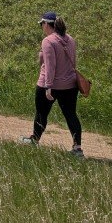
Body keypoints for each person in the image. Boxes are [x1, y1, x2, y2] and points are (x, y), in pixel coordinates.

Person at [19, 12, 83, 156]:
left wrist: (48, 86)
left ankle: (35, 140)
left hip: (49, 85)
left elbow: (50, 65)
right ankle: (77, 147)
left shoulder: (48, 41)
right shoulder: (70, 39)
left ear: (47, 24)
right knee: (71, 115)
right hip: (70, 85)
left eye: (42, 24)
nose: (42, 27)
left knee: (41, 114)